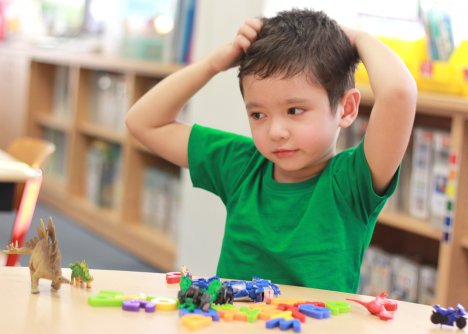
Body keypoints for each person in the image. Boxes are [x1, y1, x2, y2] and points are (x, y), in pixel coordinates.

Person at [126, 9, 417, 293]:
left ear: (347, 108)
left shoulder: (354, 182)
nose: (276, 131)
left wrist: (355, 38)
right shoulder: (242, 165)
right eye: (258, 115)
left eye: (294, 110)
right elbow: (143, 122)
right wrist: (213, 64)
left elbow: (398, 94)